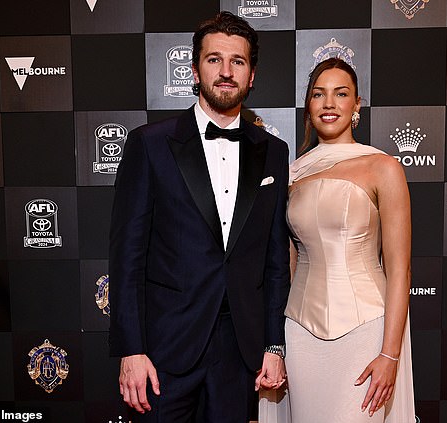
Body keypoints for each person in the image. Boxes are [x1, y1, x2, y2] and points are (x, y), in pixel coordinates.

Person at [109, 11, 290, 423]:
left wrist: (273, 346)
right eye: (214, 60)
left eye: (238, 62)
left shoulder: (273, 152)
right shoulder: (150, 145)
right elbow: (126, 259)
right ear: (194, 69)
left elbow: (276, 260)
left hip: (239, 352)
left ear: (252, 75)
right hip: (163, 351)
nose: (226, 72)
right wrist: (131, 349)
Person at [260, 57, 415, 422]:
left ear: (356, 104)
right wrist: (276, 345)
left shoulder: (384, 167)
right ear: (309, 106)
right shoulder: (291, 172)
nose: (329, 104)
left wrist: (389, 355)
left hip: (366, 333)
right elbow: (287, 264)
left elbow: (400, 270)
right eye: (319, 94)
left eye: (341, 94)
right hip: (299, 332)